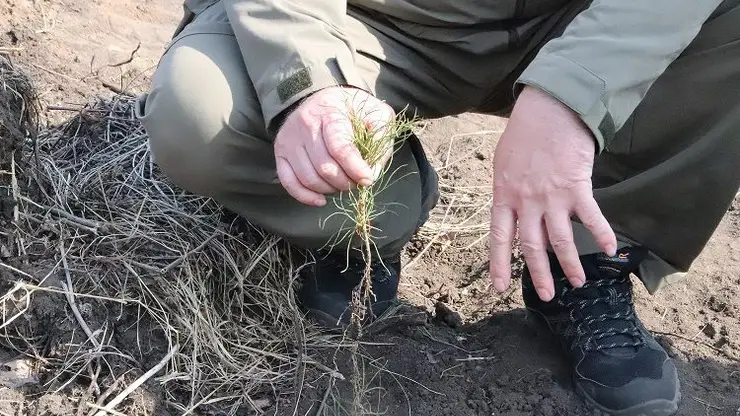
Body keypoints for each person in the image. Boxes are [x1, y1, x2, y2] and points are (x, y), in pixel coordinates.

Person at [135, 1, 740, 414]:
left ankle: (584, 255)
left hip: (578, 17)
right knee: (198, 113)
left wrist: (576, 92)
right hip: (377, 19)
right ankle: (363, 216)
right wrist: (310, 83)